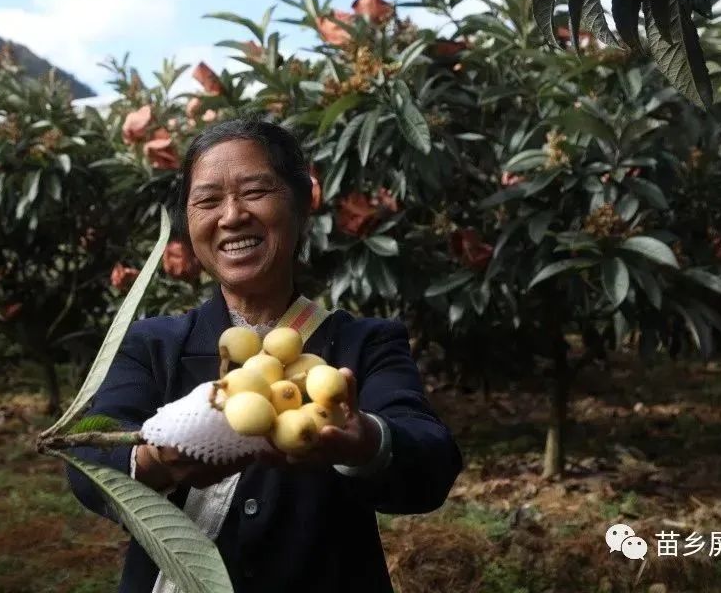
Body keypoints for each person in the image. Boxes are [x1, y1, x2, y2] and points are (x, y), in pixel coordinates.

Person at [65, 118, 463, 593]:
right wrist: (156, 462)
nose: (232, 216)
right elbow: (89, 455)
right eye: (208, 201)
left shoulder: (366, 344)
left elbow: (431, 460)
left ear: (301, 204)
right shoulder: (152, 345)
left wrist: (367, 441)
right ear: (189, 224)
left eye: (255, 191)